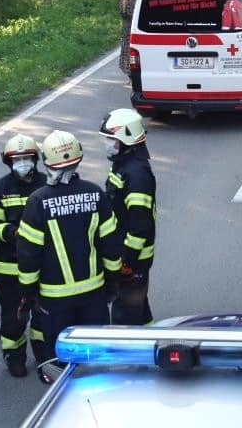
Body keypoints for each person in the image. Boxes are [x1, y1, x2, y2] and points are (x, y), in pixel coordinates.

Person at [17, 130, 119, 376]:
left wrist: (28, 294)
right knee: (96, 355)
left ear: (47, 162)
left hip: (54, 299)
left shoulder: (37, 201)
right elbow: (111, 246)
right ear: (79, 158)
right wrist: (113, 281)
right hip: (94, 294)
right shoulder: (96, 195)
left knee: (61, 357)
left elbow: (29, 255)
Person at [0, 134, 47, 378]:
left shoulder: (46, 184)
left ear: (35, 159)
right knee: (13, 317)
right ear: (8, 162)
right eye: (16, 159)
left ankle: (45, 356)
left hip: (42, 266)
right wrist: (12, 232)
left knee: (43, 315)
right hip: (10, 268)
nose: (22, 163)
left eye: (26, 158)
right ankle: (14, 355)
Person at [100, 108, 157, 326]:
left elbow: (139, 225)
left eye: (111, 139)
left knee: (125, 314)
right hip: (127, 254)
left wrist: (127, 261)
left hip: (134, 258)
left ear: (125, 140)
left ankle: (129, 360)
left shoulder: (137, 174)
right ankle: (149, 340)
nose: (107, 143)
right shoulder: (124, 166)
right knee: (138, 308)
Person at [118, 0, 139, 77]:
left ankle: (128, 72)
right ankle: (135, 72)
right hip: (135, 27)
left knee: (126, 49)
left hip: (126, 27)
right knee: (135, 49)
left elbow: (122, 13)